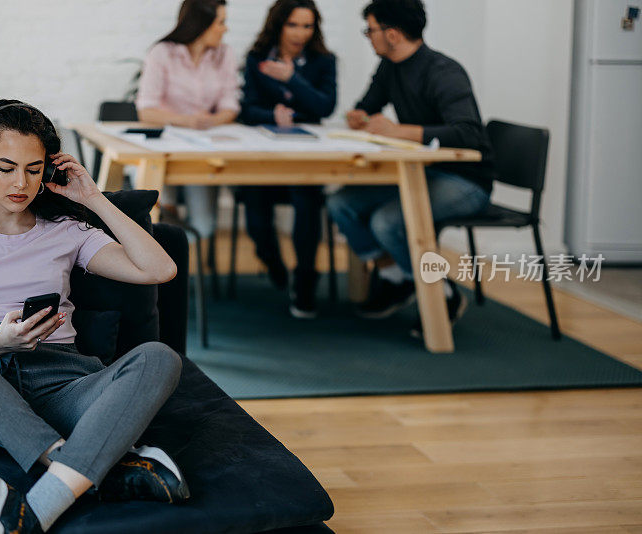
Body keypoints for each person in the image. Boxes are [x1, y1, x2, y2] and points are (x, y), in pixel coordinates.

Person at [0, 100, 189, 534]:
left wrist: (94, 198)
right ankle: (80, 466)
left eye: (34, 169)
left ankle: (36, 507)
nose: (21, 182)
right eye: (6, 168)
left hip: (61, 383)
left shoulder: (66, 232)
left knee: (159, 358)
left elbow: (160, 270)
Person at [327, 0, 495, 335]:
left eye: (370, 30)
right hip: (422, 172)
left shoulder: (443, 71)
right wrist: (358, 116)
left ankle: (442, 294)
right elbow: (366, 107)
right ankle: (398, 276)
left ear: (391, 34)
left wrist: (399, 131)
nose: (368, 37)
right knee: (340, 203)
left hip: (466, 181)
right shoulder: (389, 67)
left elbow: (470, 133)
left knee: (388, 221)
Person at [238, 0, 337, 319]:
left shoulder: (324, 60)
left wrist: (293, 78)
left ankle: (306, 278)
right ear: (278, 24)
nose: (300, 33)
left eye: (307, 26)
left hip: (304, 159)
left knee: (307, 199)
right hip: (263, 158)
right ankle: (273, 262)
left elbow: (324, 107)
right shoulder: (257, 59)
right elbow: (247, 109)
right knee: (254, 206)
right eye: (293, 25)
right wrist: (272, 114)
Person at [136, 0, 240, 240]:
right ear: (201, 24)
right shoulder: (162, 53)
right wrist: (187, 121)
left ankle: (176, 257)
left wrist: (210, 121)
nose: (225, 29)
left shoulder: (225, 55)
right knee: (156, 217)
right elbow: (146, 111)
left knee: (204, 225)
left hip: (201, 151)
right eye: (221, 22)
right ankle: (163, 263)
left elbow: (230, 107)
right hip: (163, 148)